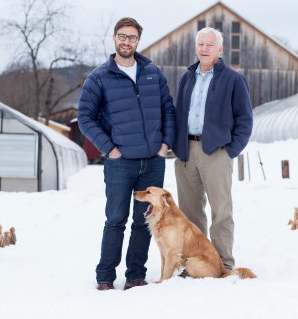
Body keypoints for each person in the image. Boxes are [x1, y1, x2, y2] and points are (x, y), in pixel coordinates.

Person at [78, 17, 175, 291]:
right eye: (122, 36)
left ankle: (135, 275)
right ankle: (106, 277)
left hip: (153, 162)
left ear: (138, 41)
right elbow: (85, 117)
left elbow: (168, 109)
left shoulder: (152, 72)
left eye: (131, 37)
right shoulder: (99, 77)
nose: (126, 41)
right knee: (116, 219)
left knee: (144, 220)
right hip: (120, 163)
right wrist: (109, 149)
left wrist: (164, 144)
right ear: (114, 38)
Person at [172, 26, 253, 271]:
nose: (204, 49)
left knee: (221, 211)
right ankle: (194, 262)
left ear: (220, 49)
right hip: (187, 151)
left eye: (210, 45)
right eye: (200, 45)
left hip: (216, 152)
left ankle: (223, 263)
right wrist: (177, 147)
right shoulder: (187, 77)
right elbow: (178, 113)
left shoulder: (234, 79)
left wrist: (230, 151)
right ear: (196, 48)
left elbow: (245, 120)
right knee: (189, 212)